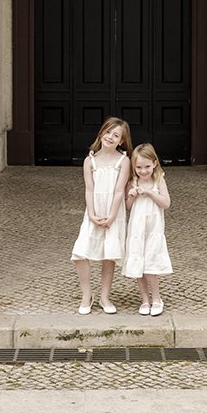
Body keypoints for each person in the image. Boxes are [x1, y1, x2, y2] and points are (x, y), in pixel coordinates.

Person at [70, 116, 132, 314]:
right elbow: (89, 189)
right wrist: (92, 214)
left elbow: (119, 191)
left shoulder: (124, 161)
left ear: (121, 141)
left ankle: (105, 296)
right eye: (108, 132)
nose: (111, 137)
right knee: (80, 253)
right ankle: (87, 294)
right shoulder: (90, 161)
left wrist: (112, 216)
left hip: (114, 213)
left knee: (109, 255)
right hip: (93, 212)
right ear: (101, 133)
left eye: (116, 135)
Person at [123, 143, 173, 316]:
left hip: (153, 231)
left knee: (150, 265)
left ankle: (157, 298)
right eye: (138, 167)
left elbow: (166, 203)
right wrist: (131, 196)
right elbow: (128, 207)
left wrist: (150, 193)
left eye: (147, 167)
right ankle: (144, 299)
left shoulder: (159, 180)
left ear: (154, 164)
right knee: (139, 263)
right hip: (137, 231)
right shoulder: (133, 182)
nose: (143, 171)